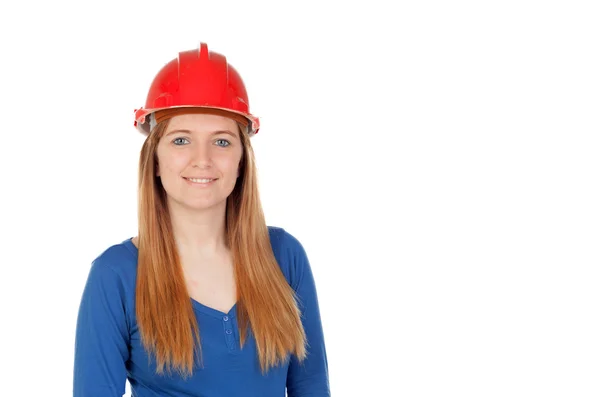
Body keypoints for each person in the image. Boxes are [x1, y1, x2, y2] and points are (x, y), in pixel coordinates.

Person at [73, 43, 330, 397]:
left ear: (242, 161)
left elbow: (312, 387)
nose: (202, 160)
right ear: (156, 161)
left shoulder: (285, 256)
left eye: (222, 142)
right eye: (181, 140)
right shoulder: (115, 275)